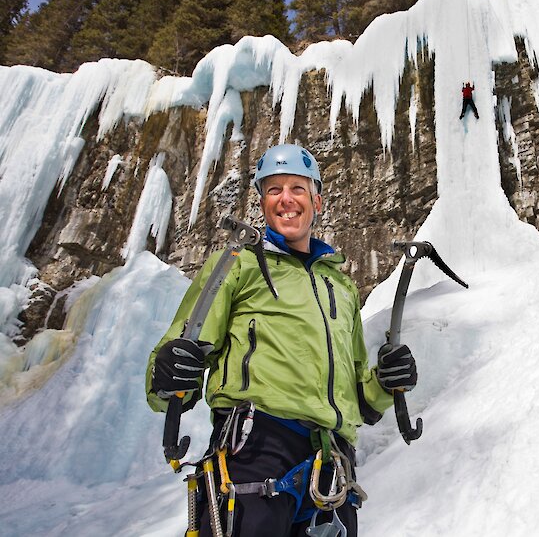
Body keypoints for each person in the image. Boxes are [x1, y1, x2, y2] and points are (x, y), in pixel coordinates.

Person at [146, 143, 418, 537]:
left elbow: (358, 399)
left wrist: (387, 383)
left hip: (334, 462)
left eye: (297, 188)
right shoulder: (238, 263)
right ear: (262, 201)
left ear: (317, 201)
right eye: (274, 190)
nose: (286, 199)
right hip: (257, 443)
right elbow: (178, 356)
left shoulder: (340, 286)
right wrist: (170, 371)